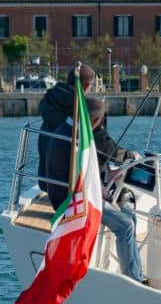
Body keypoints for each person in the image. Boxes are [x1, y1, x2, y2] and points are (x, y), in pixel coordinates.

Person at [44, 96, 146, 284]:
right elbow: (81, 177)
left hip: (65, 193)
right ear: (97, 121)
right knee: (126, 226)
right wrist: (102, 190)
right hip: (72, 202)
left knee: (129, 215)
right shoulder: (77, 142)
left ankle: (137, 272)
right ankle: (133, 279)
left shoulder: (65, 131)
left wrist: (102, 185)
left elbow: (79, 173)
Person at [38, 65, 96, 188]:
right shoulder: (81, 108)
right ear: (86, 86)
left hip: (45, 181)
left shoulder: (50, 100)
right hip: (69, 187)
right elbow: (99, 142)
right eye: (92, 86)